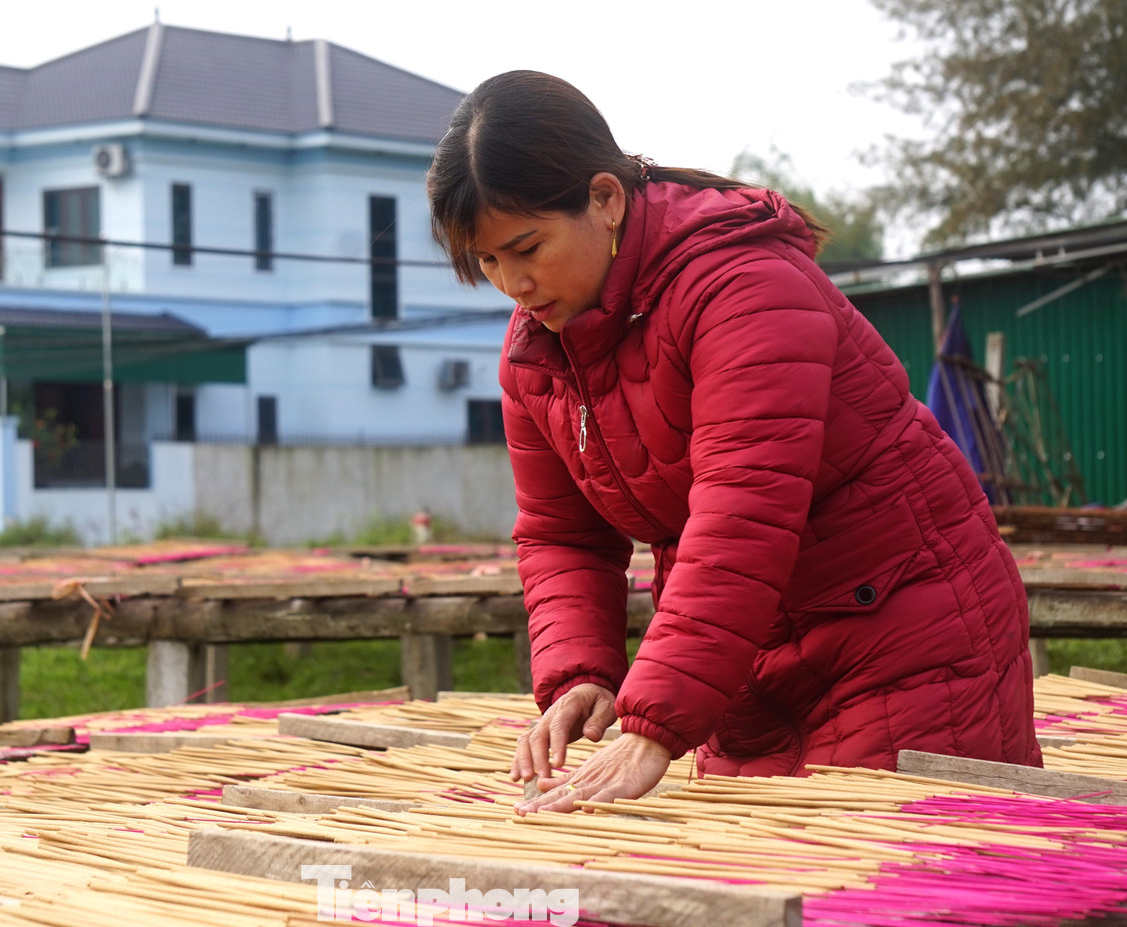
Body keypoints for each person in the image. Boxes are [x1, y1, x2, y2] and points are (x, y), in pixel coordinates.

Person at [425, 71, 1041, 815]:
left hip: (904, 627)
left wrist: (655, 721)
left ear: (605, 199)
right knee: (753, 877)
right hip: (742, 649)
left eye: (527, 247)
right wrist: (580, 672)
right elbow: (564, 535)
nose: (513, 284)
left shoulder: (743, 285)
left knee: (888, 878)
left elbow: (743, 513)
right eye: (487, 262)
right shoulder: (537, 354)